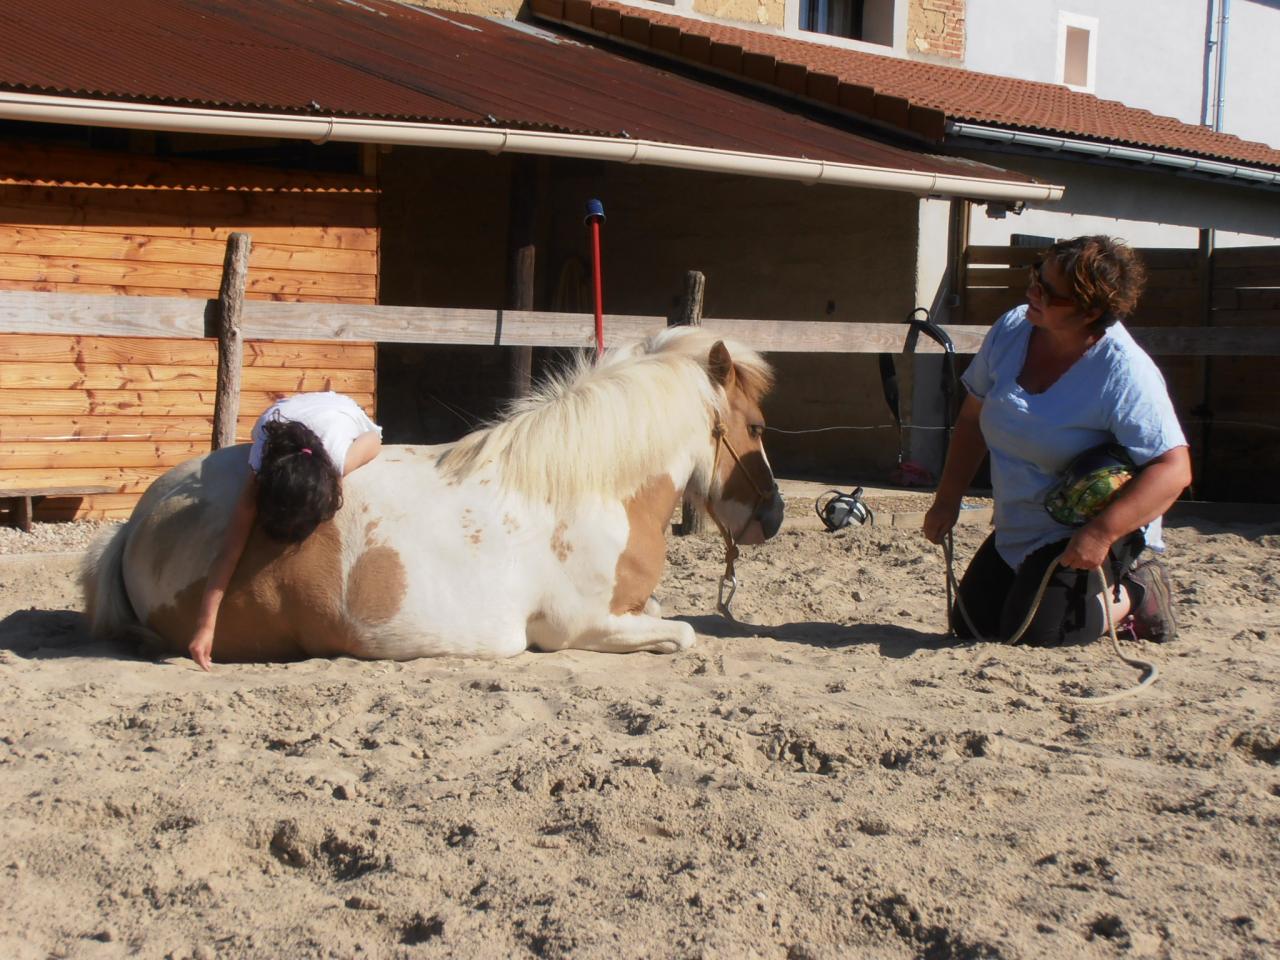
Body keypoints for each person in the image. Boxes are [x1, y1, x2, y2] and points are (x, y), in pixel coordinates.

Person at [922, 236, 1192, 647]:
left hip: (1083, 525)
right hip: (1021, 516)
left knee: (1038, 633)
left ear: (1092, 310)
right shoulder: (1013, 328)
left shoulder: (1124, 371)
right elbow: (973, 417)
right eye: (1035, 278)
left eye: (1048, 291)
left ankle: (1138, 591)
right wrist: (947, 499)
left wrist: (1102, 533)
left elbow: (1174, 469)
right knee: (974, 624)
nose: (1033, 292)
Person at [188, 392, 382, 670]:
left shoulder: (339, 458)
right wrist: (205, 626)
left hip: (338, 407)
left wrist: (334, 481)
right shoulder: (261, 470)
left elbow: (375, 438)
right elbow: (228, 552)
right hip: (283, 411)